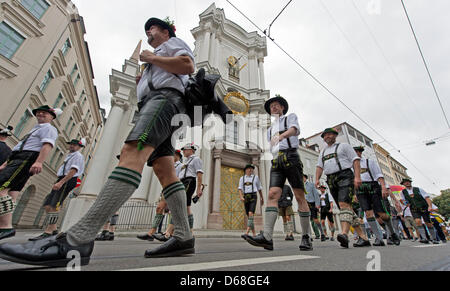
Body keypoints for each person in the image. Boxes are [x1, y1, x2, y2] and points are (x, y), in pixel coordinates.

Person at [0, 17, 196, 266]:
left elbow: (187, 65)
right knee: (164, 170)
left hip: (164, 101)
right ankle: (183, 236)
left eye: (153, 28)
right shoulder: (157, 57)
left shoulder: (171, 44)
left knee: (130, 153)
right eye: (147, 28)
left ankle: (78, 238)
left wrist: (152, 59)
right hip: (158, 102)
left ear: (166, 32)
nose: (148, 31)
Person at [244, 95, 313, 251]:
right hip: (276, 160)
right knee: (272, 195)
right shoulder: (269, 129)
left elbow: (295, 130)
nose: (273, 108)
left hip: (291, 156)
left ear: (282, 108)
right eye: (271, 106)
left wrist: (281, 136)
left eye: (276, 105)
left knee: (300, 196)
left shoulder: (290, 118)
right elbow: (271, 146)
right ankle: (267, 236)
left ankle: (306, 236)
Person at [0, 105, 60, 241]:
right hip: (18, 157)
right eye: (38, 112)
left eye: (44, 113)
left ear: (52, 116)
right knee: (11, 193)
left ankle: (5, 227)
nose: (40, 114)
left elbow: (47, 145)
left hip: (27, 158)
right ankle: (4, 225)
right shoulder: (35, 130)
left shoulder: (49, 129)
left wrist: (39, 162)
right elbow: (19, 147)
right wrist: (5, 164)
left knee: (2, 187)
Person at [315, 128, 370, 248]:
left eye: (330, 134)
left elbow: (355, 161)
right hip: (331, 179)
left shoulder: (344, 146)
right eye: (325, 135)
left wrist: (357, 177)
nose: (327, 136)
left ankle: (344, 234)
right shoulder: (323, 152)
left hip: (345, 175)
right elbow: (319, 166)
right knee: (346, 207)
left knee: (344, 204)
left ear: (335, 135)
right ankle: (363, 237)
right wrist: (317, 179)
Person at [29, 139, 86, 241]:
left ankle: (48, 231)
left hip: (67, 179)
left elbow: (73, 170)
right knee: (48, 204)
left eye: (74, 145)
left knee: (55, 204)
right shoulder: (70, 156)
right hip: (62, 178)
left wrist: (61, 182)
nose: (72, 146)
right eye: (71, 144)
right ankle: (54, 229)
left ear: (79, 147)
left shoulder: (78, 156)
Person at [352, 146, 399, 246]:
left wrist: (383, 187)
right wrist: (354, 193)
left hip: (373, 187)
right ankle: (379, 238)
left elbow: (379, 175)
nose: (355, 154)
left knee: (382, 214)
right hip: (360, 189)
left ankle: (392, 232)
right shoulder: (350, 166)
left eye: (357, 152)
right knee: (368, 213)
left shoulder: (369, 162)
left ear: (360, 153)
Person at [137, 150, 183, 242]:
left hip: (175, 189)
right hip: (166, 189)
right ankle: (151, 233)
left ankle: (170, 233)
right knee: (159, 208)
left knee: (174, 212)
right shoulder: (170, 165)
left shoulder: (181, 166)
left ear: (177, 155)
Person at [399, 178, 439, 244]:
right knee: (418, 221)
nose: (407, 183)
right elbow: (404, 201)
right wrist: (405, 203)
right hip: (414, 209)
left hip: (424, 208)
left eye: (408, 182)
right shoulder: (403, 192)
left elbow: (427, 198)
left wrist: (430, 206)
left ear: (410, 182)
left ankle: (434, 238)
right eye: (405, 182)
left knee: (428, 223)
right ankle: (424, 238)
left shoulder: (418, 189)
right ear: (403, 184)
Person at [178, 143, 203, 232]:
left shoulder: (196, 159)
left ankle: (172, 232)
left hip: (189, 181)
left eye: (185, 149)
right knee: (187, 206)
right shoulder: (186, 161)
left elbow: (199, 174)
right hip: (183, 182)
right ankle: (190, 231)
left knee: (181, 204)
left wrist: (198, 189)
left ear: (191, 150)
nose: (183, 151)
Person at [239, 164, 264, 239]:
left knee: (250, 213)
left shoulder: (255, 177)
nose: (250, 170)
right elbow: (240, 188)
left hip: (253, 196)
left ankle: (247, 232)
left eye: (251, 169)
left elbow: (259, 188)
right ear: (245, 170)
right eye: (249, 169)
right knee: (249, 215)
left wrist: (262, 197)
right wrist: (241, 196)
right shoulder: (242, 178)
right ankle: (254, 234)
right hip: (246, 196)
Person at [303, 174, 325, 241]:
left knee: (315, 220)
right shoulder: (300, 186)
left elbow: (316, 195)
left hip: (312, 204)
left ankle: (322, 233)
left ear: (305, 178)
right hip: (304, 204)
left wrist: (317, 204)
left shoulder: (311, 184)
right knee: (306, 220)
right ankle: (309, 235)